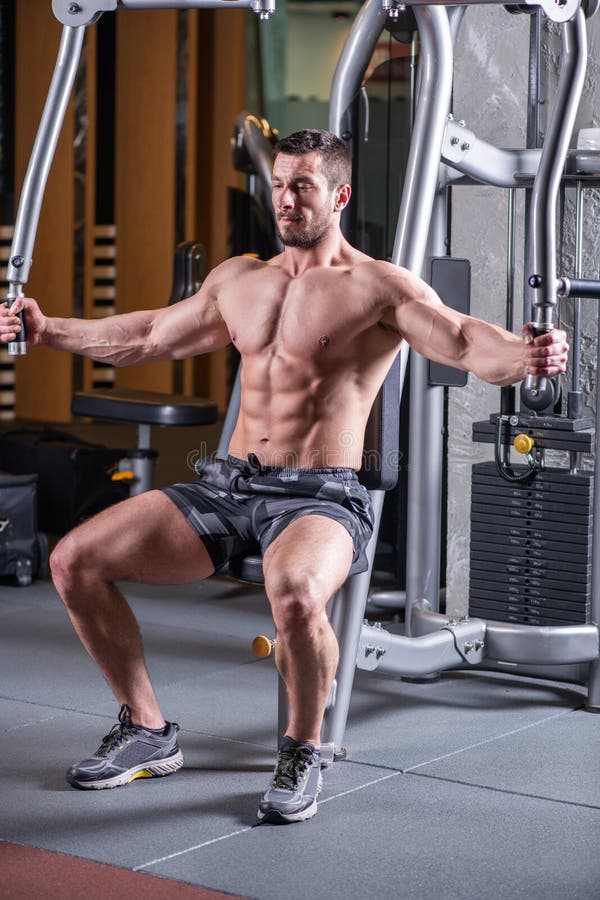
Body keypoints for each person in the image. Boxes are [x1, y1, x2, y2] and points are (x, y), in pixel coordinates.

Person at [0, 129, 568, 825]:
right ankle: (148, 730)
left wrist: (527, 356)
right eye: (279, 184)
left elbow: (464, 340)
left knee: (295, 592)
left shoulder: (377, 287)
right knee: (73, 559)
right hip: (229, 484)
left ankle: (303, 749)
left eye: (303, 186)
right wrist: (50, 329)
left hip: (323, 495)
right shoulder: (241, 280)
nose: (286, 199)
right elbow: (149, 335)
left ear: (340, 195)